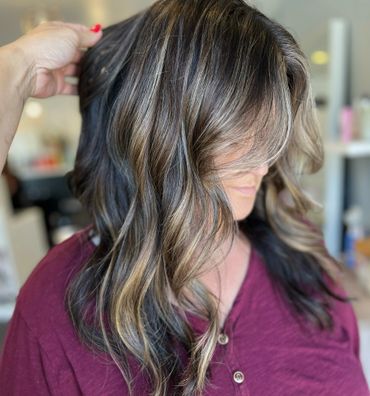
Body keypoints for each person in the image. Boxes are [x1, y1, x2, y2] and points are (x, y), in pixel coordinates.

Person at [0, 1, 369, 395]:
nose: (264, 166)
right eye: (241, 136)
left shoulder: (307, 272)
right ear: (160, 134)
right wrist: (14, 67)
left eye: (270, 136)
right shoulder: (58, 305)